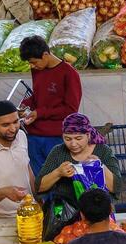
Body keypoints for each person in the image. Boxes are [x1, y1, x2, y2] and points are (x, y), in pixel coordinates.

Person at [37, 113, 118, 220]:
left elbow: (116, 187)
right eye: (68, 139)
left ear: (88, 135)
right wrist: (58, 173)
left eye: (78, 138)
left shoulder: (103, 151)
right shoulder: (58, 152)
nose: (73, 144)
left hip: (98, 216)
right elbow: (39, 186)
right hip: (66, 217)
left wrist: (100, 167)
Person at [20, 35, 82, 171]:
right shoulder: (37, 69)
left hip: (56, 137)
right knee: (39, 180)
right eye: (30, 63)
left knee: (58, 179)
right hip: (34, 135)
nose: (32, 66)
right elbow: (39, 96)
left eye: (34, 62)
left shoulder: (69, 74)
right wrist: (25, 105)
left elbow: (71, 110)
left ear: (46, 54)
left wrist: (40, 112)